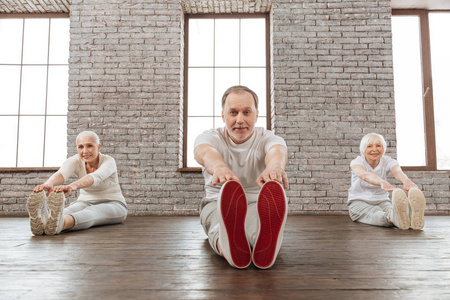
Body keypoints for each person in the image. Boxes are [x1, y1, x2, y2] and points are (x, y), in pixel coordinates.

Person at [194, 85, 289, 269]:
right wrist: (219, 167)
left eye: (246, 112)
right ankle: (229, 247)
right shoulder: (210, 137)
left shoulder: (267, 138)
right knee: (217, 224)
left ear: (256, 114)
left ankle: (261, 244)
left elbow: (277, 151)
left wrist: (275, 167)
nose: (240, 120)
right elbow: (204, 152)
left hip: (257, 203)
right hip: (217, 201)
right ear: (223, 115)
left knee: (257, 226)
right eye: (233, 112)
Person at [26, 131, 127, 236]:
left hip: (114, 203)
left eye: (89, 146)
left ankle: (61, 224)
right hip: (84, 201)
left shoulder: (109, 161)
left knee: (91, 212)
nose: (85, 151)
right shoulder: (75, 160)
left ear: (98, 147)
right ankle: (44, 221)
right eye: (81, 147)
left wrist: (72, 186)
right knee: (67, 211)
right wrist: (48, 183)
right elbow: (62, 173)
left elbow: (95, 177)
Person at [347, 133, 426, 230]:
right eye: (369, 146)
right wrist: (381, 181)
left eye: (378, 146)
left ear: (383, 148)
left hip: (382, 201)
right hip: (358, 202)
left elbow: (397, 172)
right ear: (363, 149)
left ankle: (408, 215)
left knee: (392, 210)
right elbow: (365, 176)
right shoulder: (357, 162)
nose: (375, 149)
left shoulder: (388, 161)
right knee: (374, 213)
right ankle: (394, 218)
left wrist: (406, 181)